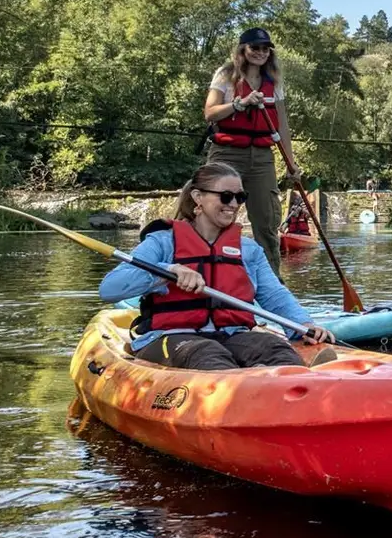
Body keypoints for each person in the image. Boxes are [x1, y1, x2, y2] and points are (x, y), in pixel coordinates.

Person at [100, 161, 335, 370]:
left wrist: (303, 325)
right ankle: (237, 400)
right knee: (207, 355)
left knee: (276, 350)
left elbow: (274, 295)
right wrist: (167, 271)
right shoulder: (162, 242)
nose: (233, 204)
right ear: (197, 197)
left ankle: (282, 397)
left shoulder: (249, 250)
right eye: (225, 196)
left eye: (240, 197)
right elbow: (110, 289)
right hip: (172, 337)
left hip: (232, 334)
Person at [203, 27, 302, 272]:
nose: (260, 53)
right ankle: (207, 273)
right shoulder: (226, 75)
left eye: (265, 48)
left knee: (267, 221)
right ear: (242, 50)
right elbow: (210, 112)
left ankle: (271, 283)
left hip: (261, 157)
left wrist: (292, 164)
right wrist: (239, 104)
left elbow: (283, 126)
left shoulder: (273, 81)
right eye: (254, 48)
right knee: (214, 213)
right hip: (226, 154)